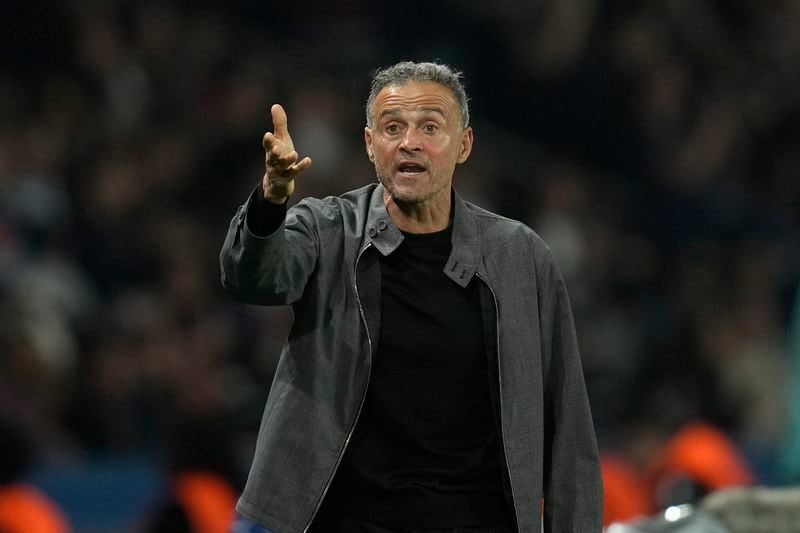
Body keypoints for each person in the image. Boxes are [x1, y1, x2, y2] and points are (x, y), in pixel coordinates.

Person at [220, 61, 602, 533]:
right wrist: (271, 200)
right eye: (393, 127)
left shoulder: (519, 255)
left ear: (463, 145)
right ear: (370, 144)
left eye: (430, 127)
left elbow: (568, 425)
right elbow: (252, 279)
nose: (409, 142)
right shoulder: (327, 229)